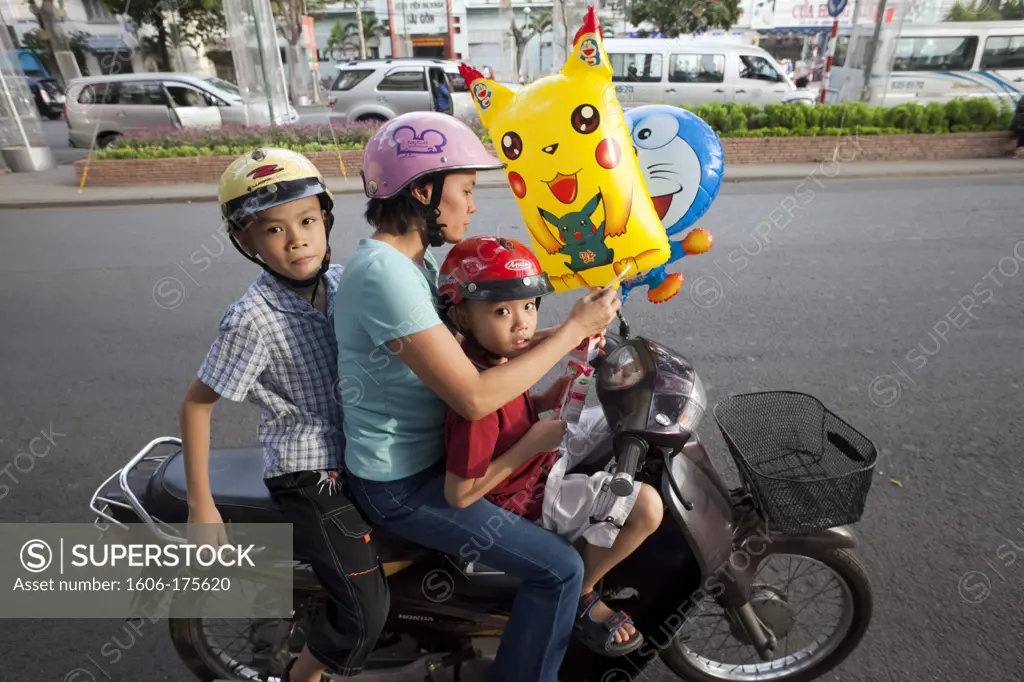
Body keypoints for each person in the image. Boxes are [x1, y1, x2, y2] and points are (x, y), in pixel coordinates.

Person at [334, 111, 621, 682]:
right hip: (402, 482)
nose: (471, 204)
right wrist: (566, 333)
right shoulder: (384, 275)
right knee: (561, 570)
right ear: (422, 191)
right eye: (464, 189)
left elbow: (471, 345)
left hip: (436, 452)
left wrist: (564, 333)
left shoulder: (416, 262)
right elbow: (471, 394)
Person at [180, 148, 388, 682]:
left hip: (365, 445)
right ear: (245, 242)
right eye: (273, 230)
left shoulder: (347, 282)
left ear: (325, 221)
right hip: (308, 467)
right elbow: (197, 403)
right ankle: (305, 675)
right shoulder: (251, 320)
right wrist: (203, 508)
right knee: (366, 610)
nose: (297, 239)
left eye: (307, 220)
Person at [437, 236, 664, 658]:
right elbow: (459, 493)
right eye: (501, 311)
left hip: (540, 459)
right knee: (647, 507)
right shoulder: (476, 403)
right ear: (462, 315)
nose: (522, 322)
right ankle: (585, 590)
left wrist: (541, 403)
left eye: (528, 305)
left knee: (625, 422)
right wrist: (530, 445)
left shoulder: (490, 362)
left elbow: (512, 416)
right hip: (527, 497)